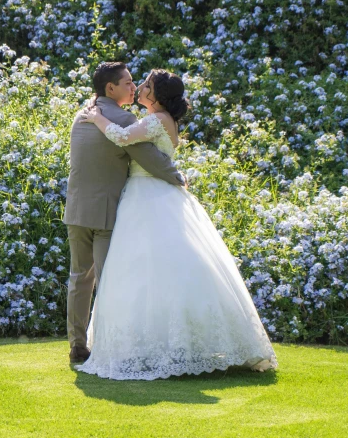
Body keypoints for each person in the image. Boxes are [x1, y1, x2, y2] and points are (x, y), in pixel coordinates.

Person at [74, 69, 277, 380]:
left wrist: (97, 118)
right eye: (135, 83)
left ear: (156, 96)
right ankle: (159, 343)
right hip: (152, 196)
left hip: (145, 197)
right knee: (158, 272)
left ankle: (148, 346)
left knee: (143, 272)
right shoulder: (158, 119)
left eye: (146, 85)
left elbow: (124, 139)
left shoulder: (152, 120)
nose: (139, 87)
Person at [63, 62, 185, 364]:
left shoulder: (82, 116)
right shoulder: (121, 118)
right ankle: (109, 347)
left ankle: (77, 345)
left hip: (76, 210)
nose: (134, 88)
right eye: (128, 83)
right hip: (107, 212)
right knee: (110, 280)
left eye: (136, 83)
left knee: (79, 278)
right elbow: (151, 158)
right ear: (111, 89)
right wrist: (178, 176)